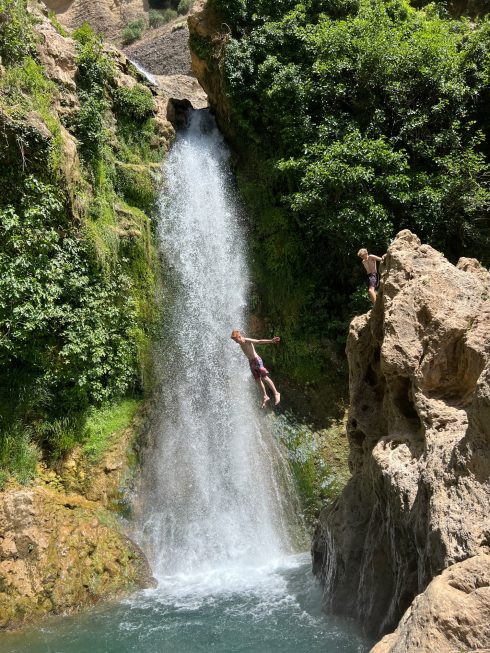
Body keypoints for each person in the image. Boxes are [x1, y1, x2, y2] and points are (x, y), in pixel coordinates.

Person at [230, 330, 281, 408]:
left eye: (236, 340)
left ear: (239, 337)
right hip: (251, 363)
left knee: (264, 377)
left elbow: (259, 341)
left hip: (257, 360)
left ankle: (276, 393)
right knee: (257, 380)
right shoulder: (240, 343)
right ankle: (265, 396)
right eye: (234, 340)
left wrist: (271, 340)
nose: (236, 342)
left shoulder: (247, 340)